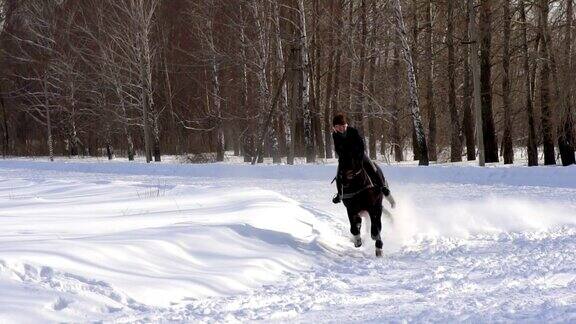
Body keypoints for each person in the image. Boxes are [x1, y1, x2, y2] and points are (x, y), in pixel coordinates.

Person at [331, 113, 396, 208]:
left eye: (342, 126)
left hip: (359, 155)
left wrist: (358, 157)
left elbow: (361, 145)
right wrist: (343, 158)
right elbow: (337, 148)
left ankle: (383, 187)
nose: (340, 128)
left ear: (346, 125)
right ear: (334, 128)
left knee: (372, 167)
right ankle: (340, 195)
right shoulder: (335, 135)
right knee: (339, 174)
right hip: (345, 159)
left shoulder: (353, 131)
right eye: (337, 127)